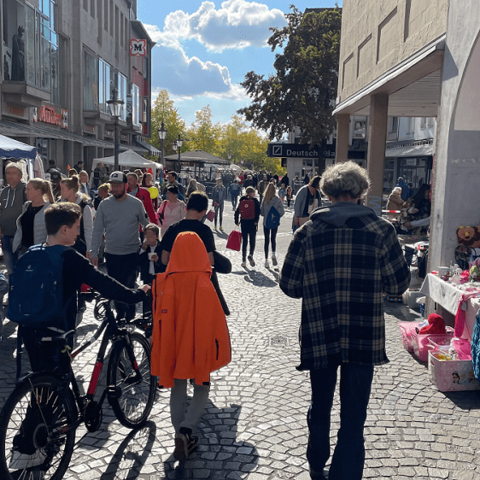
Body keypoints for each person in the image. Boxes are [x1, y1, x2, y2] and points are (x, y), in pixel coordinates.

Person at [279, 161, 410, 480]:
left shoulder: (307, 231)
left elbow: (290, 286)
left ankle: (315, 462)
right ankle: (345, 473)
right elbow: (398, 285)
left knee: (320, 404)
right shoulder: (382, 230)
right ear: (362, 192)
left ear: (327, 193)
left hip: (319, 330)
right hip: (364, 335)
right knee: (354, 415)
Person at [15, 203, 149, 375]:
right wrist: (137, 294)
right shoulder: (70, 258)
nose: (78, 233)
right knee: (57, 378)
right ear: (64, 229)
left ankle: (39, 399)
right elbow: (105, 284)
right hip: (58, 330)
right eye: (76, 228)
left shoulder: (33, 252)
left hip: (29, 328)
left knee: (40, 378)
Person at [151, 232, 231, 461]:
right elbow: (216, 321)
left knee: (177, 389)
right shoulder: (205, 283)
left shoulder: (167, 282)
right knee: (201, 387)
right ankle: (187, 429)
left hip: (174, 344)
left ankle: (179, 434)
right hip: (199, 345)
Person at [90, 171, 150, 320]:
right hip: (112, 254)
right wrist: (94, 253)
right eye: (112, 186)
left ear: (126, 186)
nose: (114, 189)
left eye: (118, 186)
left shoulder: (136, 204)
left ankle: (128, 317)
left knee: (128, 286)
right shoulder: (104, 205)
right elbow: (97, 230)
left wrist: (149, 242)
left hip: (131, 253)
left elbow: (147, 224)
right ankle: (120, 316)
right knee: (115, 288)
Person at [161, 191, 230, 316]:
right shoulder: (204, 231)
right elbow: (210, 261)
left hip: (177, 282)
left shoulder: (173, 228)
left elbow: (164, 259)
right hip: (199, 284)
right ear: (203, 212)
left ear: (186, 207)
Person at [12, 179, 54, 255]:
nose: (26, 192)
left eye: (28, 189)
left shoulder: (49, 209)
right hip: (23, 249)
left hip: (40, 251)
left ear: (38, 191)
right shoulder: (26, 206)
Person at [0, 162, 27, 274]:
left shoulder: (26, 189)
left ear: (20, 175)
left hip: (20, 236)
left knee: (21, 268)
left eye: (14, 173)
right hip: (5, 235)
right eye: (8, 173)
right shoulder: (4, 191)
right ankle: (12, 290)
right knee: (10, 269)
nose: (10, 176)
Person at [60, 176, 93, 258]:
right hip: (62, 246)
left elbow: (88, 229)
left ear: (71, 190)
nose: (61, 192)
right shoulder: (60, 205)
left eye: (63, 189)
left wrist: (89, 249)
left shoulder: (84, 207)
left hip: (79, 247)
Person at [234, 186, 260, 268]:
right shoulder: (255, 201)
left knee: (244, 241)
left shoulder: (242, 199)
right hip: (252, 223)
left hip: (244, 222)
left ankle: (244, 260)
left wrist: (236, 220)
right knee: (252, 240)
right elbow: (258, 212)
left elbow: (237, 211)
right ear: (251, 193)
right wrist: (256, 221)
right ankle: (251, 254)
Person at [260, 183, 285, 268]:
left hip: (266, 222)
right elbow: (282, 211)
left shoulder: (265, 200)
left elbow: (262, 212)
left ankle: (266, 260)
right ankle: (273, 253)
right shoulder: (278, 200)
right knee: (273, 238)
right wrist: (276, 216)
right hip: (274, 222)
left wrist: (267, 214)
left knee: (266, 240)